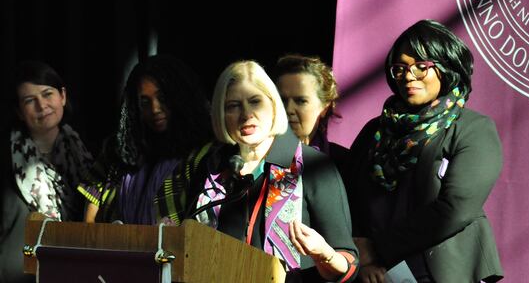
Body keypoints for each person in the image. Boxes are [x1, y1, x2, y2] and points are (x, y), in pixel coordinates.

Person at [343, 19, 504, 283]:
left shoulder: (473, 128)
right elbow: (347, 198)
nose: (408, 76)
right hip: (374, 272)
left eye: (421, 67)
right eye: (400, 68)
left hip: (442, 272)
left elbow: (456, 209)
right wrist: (362, 257)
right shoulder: (375, 130)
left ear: (447, 68)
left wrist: (379, 249)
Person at [191, 60, 358, 282]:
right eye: (233, 105)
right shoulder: (213, 167)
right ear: (221, 114)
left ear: (273, 105)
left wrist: (324, 255)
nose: (246, 115)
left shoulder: (313, 166)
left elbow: (348, 265)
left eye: (255, 102)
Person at [79, 54, 213, 225]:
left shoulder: (202, 154)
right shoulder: (118, 149)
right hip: (114, 249)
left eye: (162, 98)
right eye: (145, 102)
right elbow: (90, 219)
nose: (155, 108)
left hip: (172, 250)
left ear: (180, 98)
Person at [1, 61, 93, 283]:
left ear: (62, 96)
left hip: (71, 272)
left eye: (47, 94)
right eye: (30, 101)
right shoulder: (6, 159)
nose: (42, 106)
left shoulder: (87, 154)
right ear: (19, 112)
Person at [274, 54, 340, 153]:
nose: (288, 109)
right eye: (282, 100)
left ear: (324, 108)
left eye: (301, 101)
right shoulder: (255, 161)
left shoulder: (345, 164)